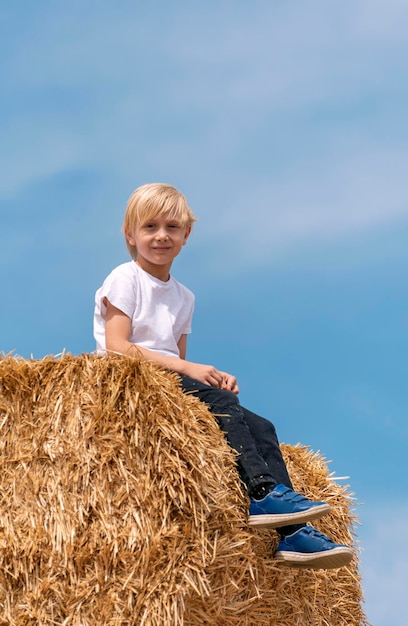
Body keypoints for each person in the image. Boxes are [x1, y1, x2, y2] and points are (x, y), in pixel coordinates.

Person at [94, 183, 354, 569]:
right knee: (222, 402)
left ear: (186, 235)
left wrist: (207, 379)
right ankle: (261, 490)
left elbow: (176, 361)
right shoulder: (125, 278)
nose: (161, 236)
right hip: (127, 380)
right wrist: (189, 370)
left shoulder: (184, 297)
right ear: (130, 234)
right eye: (149, 227)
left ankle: (293, 534)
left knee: (262, 426)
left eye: (171, 227)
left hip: (165, 381)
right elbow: (117, 345)